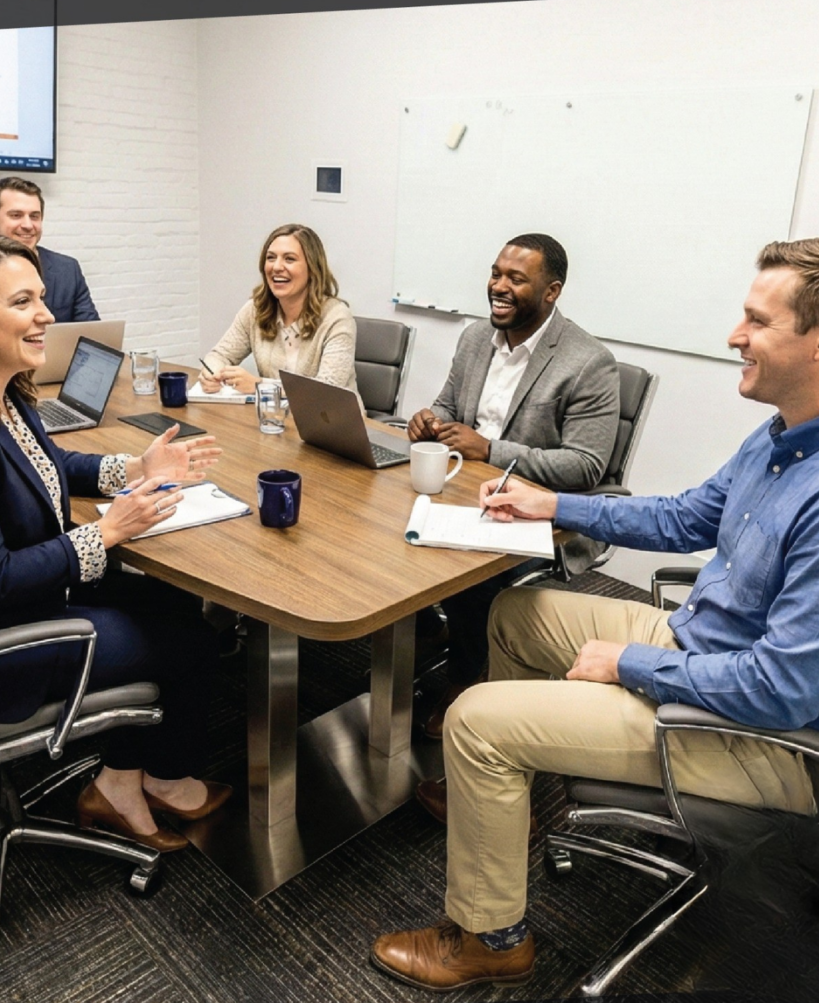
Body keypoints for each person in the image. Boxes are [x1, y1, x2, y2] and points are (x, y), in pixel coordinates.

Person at [370, 236, 819, 991]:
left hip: (758, 733)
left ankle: (491, 936)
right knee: (516, 614)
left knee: (475, 719)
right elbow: (682, 518)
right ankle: (517, 802)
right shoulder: (779, 438)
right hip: (699, 642)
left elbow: (783, 689)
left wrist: (629, 664)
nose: (733, 337)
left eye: (756, 322)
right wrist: (548, 502)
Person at [0, 235, 229, 853]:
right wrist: (103, 533)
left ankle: (137, 775)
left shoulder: (10, 398)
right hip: (17, 641)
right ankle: (137, 784)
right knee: (192, 640)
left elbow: (51, 464)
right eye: (25, 302)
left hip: (47, 600)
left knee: (181, 605)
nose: (48, 315)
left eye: (42, 298)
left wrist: (133, 467)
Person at [409, 233, 619, 739]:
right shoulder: (474, 338)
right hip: (467, 492)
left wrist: (490, 449)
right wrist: (428, 421)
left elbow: (587, 466)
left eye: (516, 279)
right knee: (385, 527)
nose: (498, 287)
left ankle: (468, 680)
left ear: (552, 292)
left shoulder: (588, 362)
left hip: (536, 516)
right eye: (496, 273)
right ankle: (420, 634)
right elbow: (448, 407)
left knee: (467, 574)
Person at [198, 223, 360, 401]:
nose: (276, 267)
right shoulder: (255, 310)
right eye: (271, 258)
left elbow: (327, 390)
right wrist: (212, 374)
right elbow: (220, 355)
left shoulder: (337, 317)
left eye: (289, 259)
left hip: (332, 422)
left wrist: (259, 386)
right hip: (274, 420)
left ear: (312, 268)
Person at [0, 176, 100, 323]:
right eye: (16, 215)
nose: (28, 225)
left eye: (34, 216)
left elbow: (92, 332)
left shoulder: (67, 269)